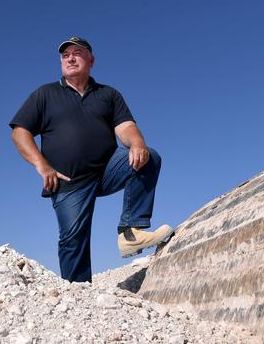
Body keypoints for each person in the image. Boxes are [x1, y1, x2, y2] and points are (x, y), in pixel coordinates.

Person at [9, 36, 173, 283]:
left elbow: (125, 127)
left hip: (107, 168)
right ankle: (79, 292)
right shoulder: (45, 94)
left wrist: (137, 143)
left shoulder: (108, 95)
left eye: (77, 53)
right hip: (68, 181)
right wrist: (42, 165)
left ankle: (131, 231)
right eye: (65, 56)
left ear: (91, 60)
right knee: (73, 239)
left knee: (149, 157)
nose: (70, 58)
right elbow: (19, 132)